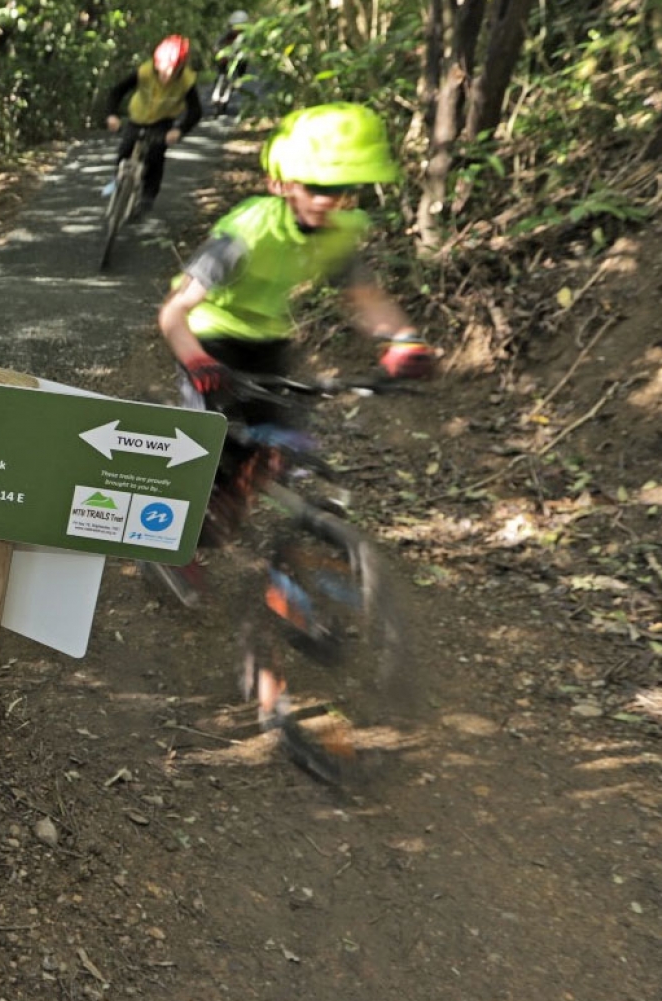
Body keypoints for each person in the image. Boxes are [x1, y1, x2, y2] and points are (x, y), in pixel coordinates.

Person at [155, 103, 435, 601]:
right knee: (208, 453)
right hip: (208, 337)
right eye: (319, 189)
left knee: (280, 448)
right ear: (282, 183)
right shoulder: (246, 234)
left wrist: (402, 340)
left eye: (343, 191)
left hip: (267, 340)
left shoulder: (340, 232)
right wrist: (198, 362)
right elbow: (172, 314)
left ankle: (231, 519)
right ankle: (169, 542)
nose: (332, 202)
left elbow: (364, 297)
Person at [101, 34, 204, 213]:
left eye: (172, 69)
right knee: (125, 148)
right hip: (138, 117)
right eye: (162, 68)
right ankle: (117, 181)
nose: (166, 74)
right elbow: (117, 91)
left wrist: (179, 130)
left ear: (180, 67)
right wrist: (111, 115)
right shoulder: (145, 71)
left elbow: (196, 111)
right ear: (156, 62)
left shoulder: (187, 81)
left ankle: (148, 195)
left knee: (155, 155)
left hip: (162, 121)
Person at [210, 11, 253, 114]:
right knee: (221, 73)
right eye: (234, 26)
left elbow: (250, 48)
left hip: (239, 59)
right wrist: (217, 50)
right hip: (227, 57)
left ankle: (234, 85)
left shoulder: (246, 36)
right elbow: (217, 43)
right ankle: (216, 91)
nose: (236, 29)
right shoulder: (227, 34)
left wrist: (247, 54)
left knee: (238, 76)